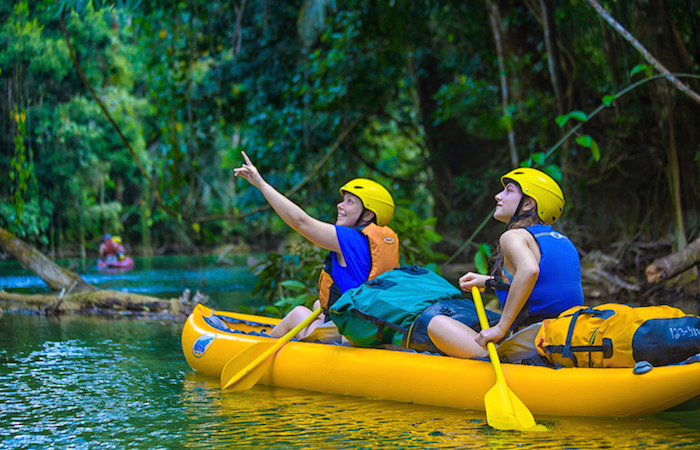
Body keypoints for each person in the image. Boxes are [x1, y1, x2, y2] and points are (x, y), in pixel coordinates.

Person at [406, 167, 584, 359]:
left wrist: (500, 328)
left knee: (436, 323)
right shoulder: (563, 241)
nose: (498, 196)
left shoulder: (513, 236)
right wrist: (488, 281)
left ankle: (501, 361)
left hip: (535, 340)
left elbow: (530, 270)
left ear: (528, 204)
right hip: (566, 334)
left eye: (508, 190)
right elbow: (545, 285)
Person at [233, 151, 400, 339]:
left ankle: (257, 346)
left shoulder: (351, 239)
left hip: (352, 334)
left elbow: (300, 222)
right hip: (369, 327)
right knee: (316, 308)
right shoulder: (374, 241)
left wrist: (261, 184)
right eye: (343, 200)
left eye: (350, 202)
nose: (340, 205)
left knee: (297, 313)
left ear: (368, 215)